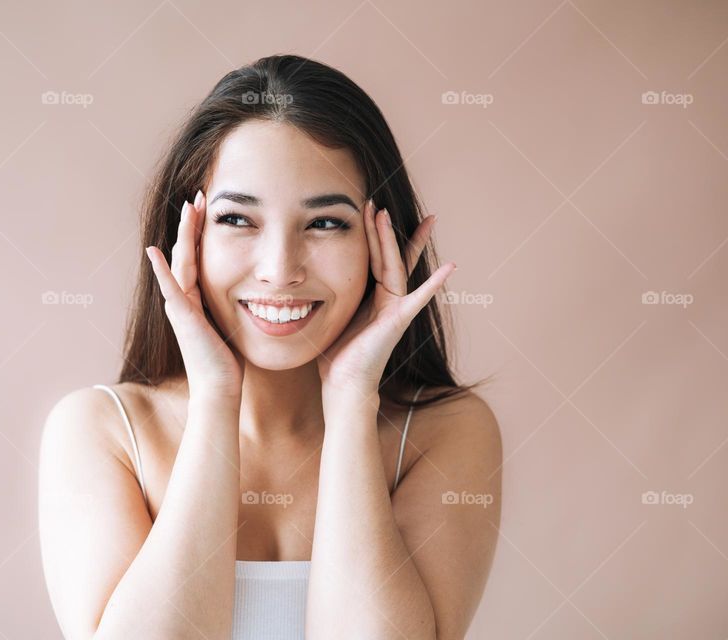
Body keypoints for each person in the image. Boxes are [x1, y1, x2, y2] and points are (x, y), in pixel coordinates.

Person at [39, 54, 502, 640]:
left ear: (381, 238)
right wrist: (214, 396)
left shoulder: (444, 432)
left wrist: (353, 400)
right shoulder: (101, 430)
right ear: (188, 237)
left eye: (326, 223)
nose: (280, 270)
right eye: (238, 220)